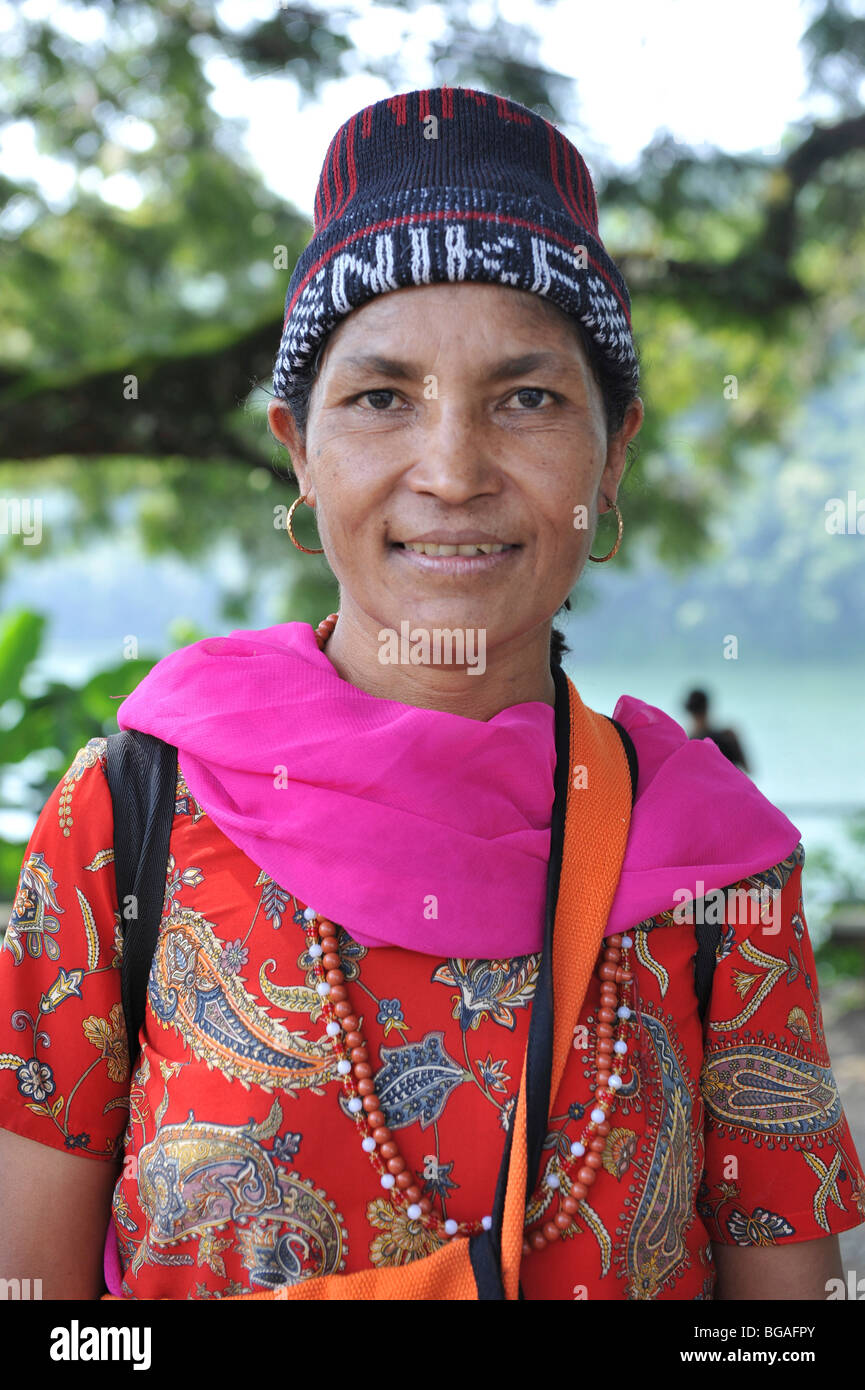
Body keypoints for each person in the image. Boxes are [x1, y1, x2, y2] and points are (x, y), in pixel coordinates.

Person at [1, 86, 862, 1302]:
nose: (451, 472)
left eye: (527, 398)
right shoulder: (128, 817)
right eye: (379, 397)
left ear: (611, 458)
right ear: (297, 450)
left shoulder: (719, 878)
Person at [684, 688, 751, 773]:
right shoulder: (727, 736)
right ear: (707, 708)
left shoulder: (689, 742)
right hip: (729, 784)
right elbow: (748, 769)